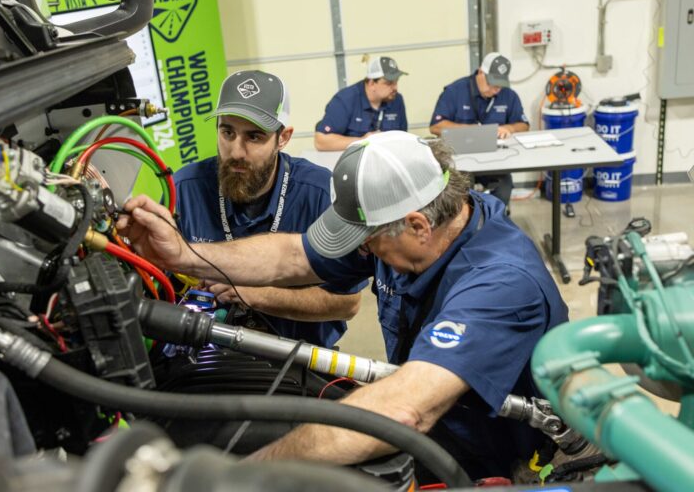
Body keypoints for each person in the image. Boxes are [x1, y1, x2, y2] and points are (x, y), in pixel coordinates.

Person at [117, 131, 568, 479]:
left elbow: (406, 410)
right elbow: (290, 256)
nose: (363, 251)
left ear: (417, 226)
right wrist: (181, 255)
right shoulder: (426, 219)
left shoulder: (500, 284)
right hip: (433, 417)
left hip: (494, 455)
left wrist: (249, 475)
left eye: (367, 240)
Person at [172, 69, 365, 348]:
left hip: (300, 359)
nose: (236, 152)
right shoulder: (186, 189)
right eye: (227, 132)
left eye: (254, 137)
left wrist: (255, 294)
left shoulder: (320, 194)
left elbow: (348, 303)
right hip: (208, 358)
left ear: (283, 138)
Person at [429, 52, 529, 206]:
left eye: (500, 85)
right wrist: (469, 130)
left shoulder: (509, 96)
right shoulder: (455, 91)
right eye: (492, 84)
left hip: (496, 161)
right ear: (481, 72)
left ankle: (495, 222)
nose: (496, 90)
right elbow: (435, 127)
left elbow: (524, 125)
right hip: (461, 161)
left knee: (504, 188)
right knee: (462, 192)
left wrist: (509, 127)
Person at [314, 56, 408, 151]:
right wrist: (362, 141)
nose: (395, 88)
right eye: (389, 83)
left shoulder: (396, 100)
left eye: (396, 82)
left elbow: (403, 139)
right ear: (371, 83)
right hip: (352, 162)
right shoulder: (345, 99)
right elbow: (321, 141)